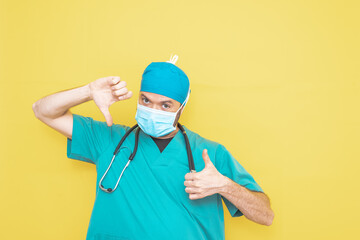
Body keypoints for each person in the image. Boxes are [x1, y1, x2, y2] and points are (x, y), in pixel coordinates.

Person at [32, 54, 274, 240]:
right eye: (146, 100)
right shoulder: (109, 139)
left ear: (181, 107)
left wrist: (225, 185)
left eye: (166, 105)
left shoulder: (210, 154)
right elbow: (43, 111)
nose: (152, 111)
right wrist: (87, 91)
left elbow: (265, 215)